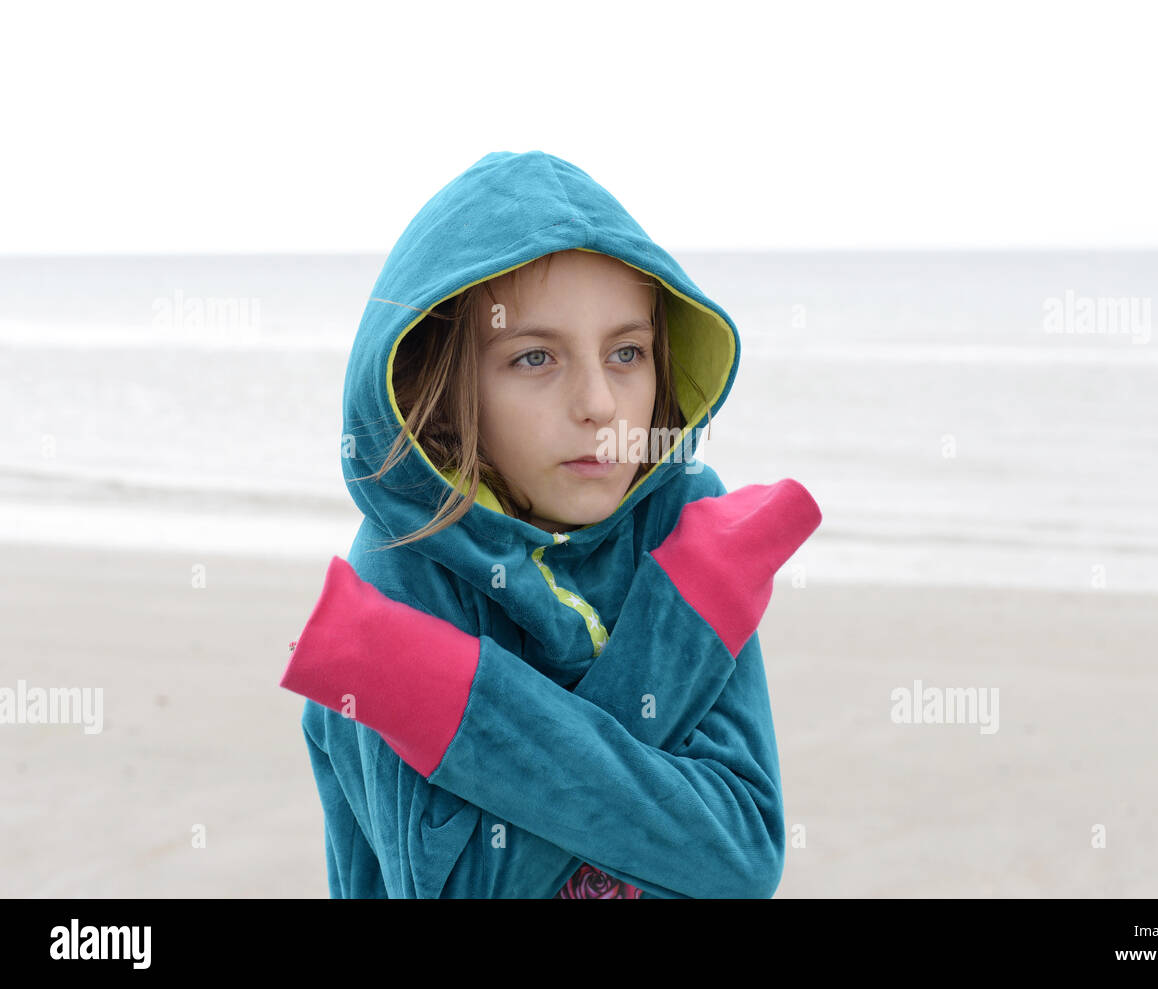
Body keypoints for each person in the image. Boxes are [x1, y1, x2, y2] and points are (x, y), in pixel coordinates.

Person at [278, 150, 822, 898]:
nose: (599, 402)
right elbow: (470, 886)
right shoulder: (401, 570)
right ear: (443, 387)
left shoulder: (681, 522)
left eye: (627, 352)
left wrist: (435, 687)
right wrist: (683, 621)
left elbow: (743, 852)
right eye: (536, 357)